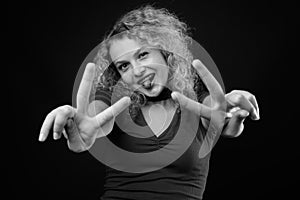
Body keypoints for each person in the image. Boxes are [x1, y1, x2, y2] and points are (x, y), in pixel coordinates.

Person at [39, 5, 260, 200]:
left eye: (143, 54)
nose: (137, 71)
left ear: (165, 52)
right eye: (124, 66)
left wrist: (232, 112)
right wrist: (83, 132)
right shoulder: (113, 102)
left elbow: (219, 115)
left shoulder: (197, 99)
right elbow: (97, 121)